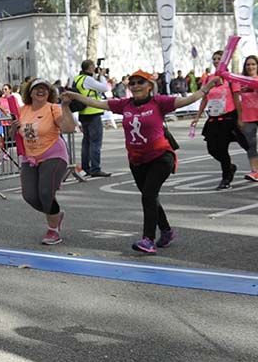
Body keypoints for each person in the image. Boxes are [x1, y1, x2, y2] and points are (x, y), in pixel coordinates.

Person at [65, 70, 216, 253]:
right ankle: (167, 231)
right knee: (149, 197)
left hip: (161, 157)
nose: (135, 86)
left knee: (148, 195)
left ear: (149, 86)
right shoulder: (124, 104)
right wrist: (73, 95)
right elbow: (97, 103)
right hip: (137, 160)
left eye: (140, 83)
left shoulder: (159, 102)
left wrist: (206, 88)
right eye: (133, 83)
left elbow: (187, 100)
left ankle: (148, 240)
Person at [15, 80, 76, 245]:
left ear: (49, 93)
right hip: (30, 157)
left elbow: (69, 127)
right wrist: (13, 129)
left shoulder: (53, 108)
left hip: (53, 154)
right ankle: (56, 214)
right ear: (30, 92)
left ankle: (53, 230)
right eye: (37, 88)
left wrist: (65, 106)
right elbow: (19, 133)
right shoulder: (22, 110)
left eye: (45, 89)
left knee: (45, 193)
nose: (41, 91)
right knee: (30, 196)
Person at [192, 49, 248, 189]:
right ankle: (230, 167)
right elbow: (205, 98)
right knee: (212, 148)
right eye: (214, 59)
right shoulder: (208, 78)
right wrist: (197, 116)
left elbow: (237, 99)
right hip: (213, 117)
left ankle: (226, 178)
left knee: (223, 148)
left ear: (225, 60)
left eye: (219, 58)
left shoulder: (231, 78)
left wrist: (240, 118)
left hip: (228, 117)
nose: (216, 61)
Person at [72, 59, 113, 178]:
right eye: (93, 67)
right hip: (93, 111)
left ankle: (86, 167)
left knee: (86, 142)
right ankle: (95, 168)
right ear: (90, 68)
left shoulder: (77, 78)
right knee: (95, 142)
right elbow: (105, 88)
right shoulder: (88, 79)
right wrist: (101, 76)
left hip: (83, 112)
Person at [233, 55, 258, 182]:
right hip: (248, 117)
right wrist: (239, 118)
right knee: (251, 145)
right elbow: (237, 100)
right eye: (248, 64)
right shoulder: (239, 80)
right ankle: (255, 171)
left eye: (253, 64)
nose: (251, 67)